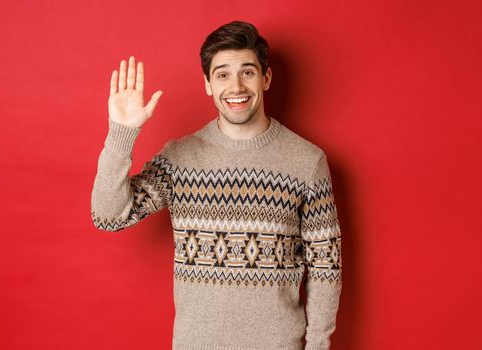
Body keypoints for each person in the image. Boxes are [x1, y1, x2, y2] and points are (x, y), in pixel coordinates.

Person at [91, 20, 343, 350]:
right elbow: (108, 217)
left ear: (266, 78)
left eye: (247, 72)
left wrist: (317, 346)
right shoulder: (179, 159)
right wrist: (121, 134)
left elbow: (326, 266)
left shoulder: (307, 162)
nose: (236, 86)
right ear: (208, 84)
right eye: (222, 74)